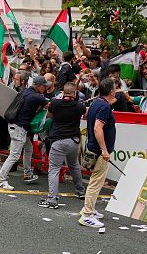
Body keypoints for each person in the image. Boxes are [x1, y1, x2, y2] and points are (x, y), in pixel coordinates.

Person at [0, 75, 51, 190]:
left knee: (28, 148)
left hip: (15, 126)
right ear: (39, 86)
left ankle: (27, 174)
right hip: (19, 129)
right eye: (44, 87)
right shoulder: (36, 97)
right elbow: (51, 107)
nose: (45, 89)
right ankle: (1, 180)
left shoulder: (25, 91)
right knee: (14, 156)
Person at [39, 82, 86, 209]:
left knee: (54, 169)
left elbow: (49, 115)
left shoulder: (55, 103)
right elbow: (84, 112)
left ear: (63, 92)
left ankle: (52, 199)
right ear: (75, 93)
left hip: (59, 141)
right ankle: (80, 191)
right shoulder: (79, 106)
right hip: (74, 140)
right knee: (74, 165)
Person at [79, 78, 117, 228]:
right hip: (99, 150)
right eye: (115, 88)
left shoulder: (97, 103)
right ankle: (87, 214)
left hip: (94, 147)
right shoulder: (104, 107)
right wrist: (104, 150)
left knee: (97, 181)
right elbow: (97, 128)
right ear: (111, 91)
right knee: (96, 182)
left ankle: (89, 209)